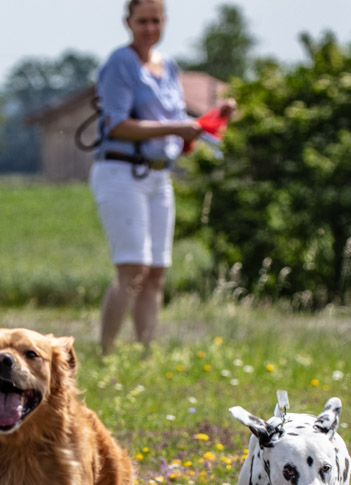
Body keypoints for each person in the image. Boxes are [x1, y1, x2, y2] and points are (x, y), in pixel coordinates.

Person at [91, 0, 234, 354]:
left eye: (156, 20)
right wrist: (179, 127)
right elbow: (118, 125)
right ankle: (106, 352)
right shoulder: (120, 64)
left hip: (158, 176)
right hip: (121, 170)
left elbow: (179, 123)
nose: (149, 28)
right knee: (132, 268)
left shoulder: (168, 65)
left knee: (156, 271)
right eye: (142, 20)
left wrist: (213, 118)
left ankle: (145, 354)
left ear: (164, 22)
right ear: (128, 22)